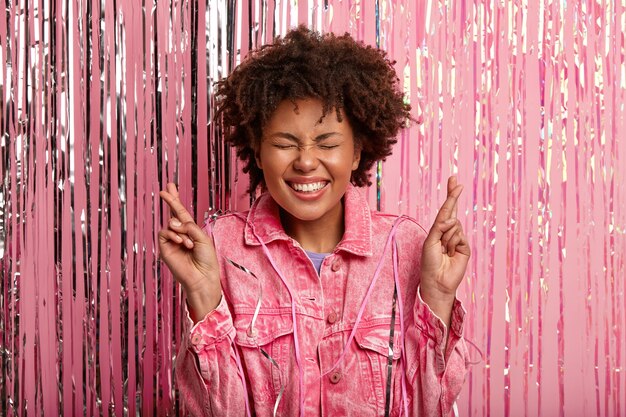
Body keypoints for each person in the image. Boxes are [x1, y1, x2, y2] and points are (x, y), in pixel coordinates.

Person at [159, 26, 471, 417]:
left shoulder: (405, 245)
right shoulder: (222, 248)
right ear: (257, 152)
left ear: (357, 152)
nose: (306, 161)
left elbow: (432, 407)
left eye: (327, 144)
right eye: (285, 143)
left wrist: (438, 298)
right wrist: (204, 297)